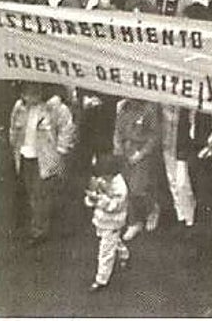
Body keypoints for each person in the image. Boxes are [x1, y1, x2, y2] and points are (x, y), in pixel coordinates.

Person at [7, 82, 75, 248]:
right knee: (32, 192)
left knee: (41, 193)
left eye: (33, 93)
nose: (28, 97)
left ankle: (40, 230)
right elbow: (13, 127)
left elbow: (67, 129)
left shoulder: (55, 107)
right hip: (25, 155)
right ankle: (39, 223)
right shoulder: (20, 107)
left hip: (45, 157)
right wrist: (13, 143)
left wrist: (60, 152)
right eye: (26, 93)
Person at [113, 98, 163, 240]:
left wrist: (141, 154)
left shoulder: (149, 109)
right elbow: (117, 131)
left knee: (138, 189)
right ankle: (134, 222)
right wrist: (118, 148)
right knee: (125, 188)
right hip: (125, 150)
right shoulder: (123, 107)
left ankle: (152, 209)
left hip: (141, 152)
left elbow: (154, 137)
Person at [84, 153, 129, 292]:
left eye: (105, 175)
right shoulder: (100, 179)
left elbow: (113, 207)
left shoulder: (121, 188)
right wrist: (91, 198)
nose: (102, 178)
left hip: (113, 222)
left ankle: (101, 279)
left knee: (105, 251)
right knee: (112, 241)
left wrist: (100, 200)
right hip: (101, 220)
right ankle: (124, 254)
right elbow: (89, 198)